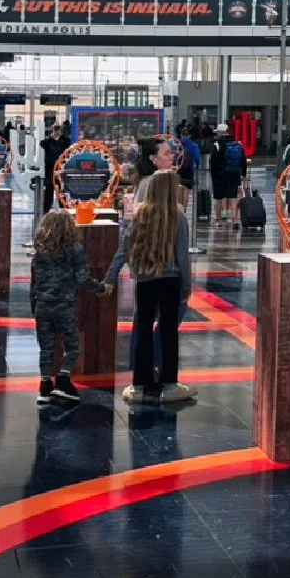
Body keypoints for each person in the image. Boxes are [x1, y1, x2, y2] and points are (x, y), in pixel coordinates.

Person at [105, 170, 195, 406]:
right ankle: (169, 384)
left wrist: (110, 278)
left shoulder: (140, 215)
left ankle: (139, 385)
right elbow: (182, 257)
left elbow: (123, 250)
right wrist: (187, 286)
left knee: (143, 330)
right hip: (171, 281)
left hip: (145, 280)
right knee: (168, 332)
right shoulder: (178, 217)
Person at [31, 209, 106, 405]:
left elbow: (34, 282)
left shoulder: (39, 253)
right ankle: (63, 379)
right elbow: (82, 279)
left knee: (46, 348)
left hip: (42, 305)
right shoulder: (75, 250)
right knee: (72, 346)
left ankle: (45, 386)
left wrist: (34, 306)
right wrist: (100, 287)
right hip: (64, 304)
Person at [209, 123, 245, 226]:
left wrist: (214, 174)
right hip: (234, 173)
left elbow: (213, 160)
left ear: (222, 132)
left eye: (218, 132)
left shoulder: (217, 144)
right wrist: (243, 173)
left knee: (219, 197)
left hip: (219, 175)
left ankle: (219, 220)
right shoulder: (237, 143)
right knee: (233, 196)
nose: (217, 134)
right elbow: (243, 160)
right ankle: (234, 219)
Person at [133, 136, 175, 203]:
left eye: (171, 153)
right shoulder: (153, 183)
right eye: (166, 154)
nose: (172, 157)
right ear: (153, 158)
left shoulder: (152, 180)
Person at [41, 125, 64, 212]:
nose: (57, 131)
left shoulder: (65, 140)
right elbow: (42, 143)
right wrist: (51, 137)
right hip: (50, 169)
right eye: (55, 129)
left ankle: (63, 209)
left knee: (61, 190)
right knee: (49, 190)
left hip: (61, 169)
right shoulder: (48, 141)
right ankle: (46, 210)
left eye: (58, 129)